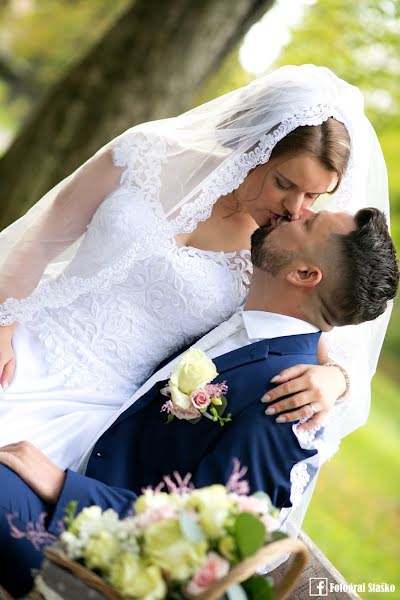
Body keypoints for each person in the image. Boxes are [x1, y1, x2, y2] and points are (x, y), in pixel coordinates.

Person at [0, 65, 392, 473]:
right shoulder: (146, 152)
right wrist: (5, 323)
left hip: (97, 411)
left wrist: (336, 380)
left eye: (313, 195)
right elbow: (42, 240)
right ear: (253, 144)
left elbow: (325, 343)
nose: (295, 208)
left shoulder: (273, 255)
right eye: (283, 183)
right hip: (21, 341)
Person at [0, 206, 398, 596]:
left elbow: (208, 539)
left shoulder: (286, 398)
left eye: (309, 223)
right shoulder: (252, 326)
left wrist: (61, 485)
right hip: (72, 464)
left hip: (99, 559)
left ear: (305, 274)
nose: (295, 212)